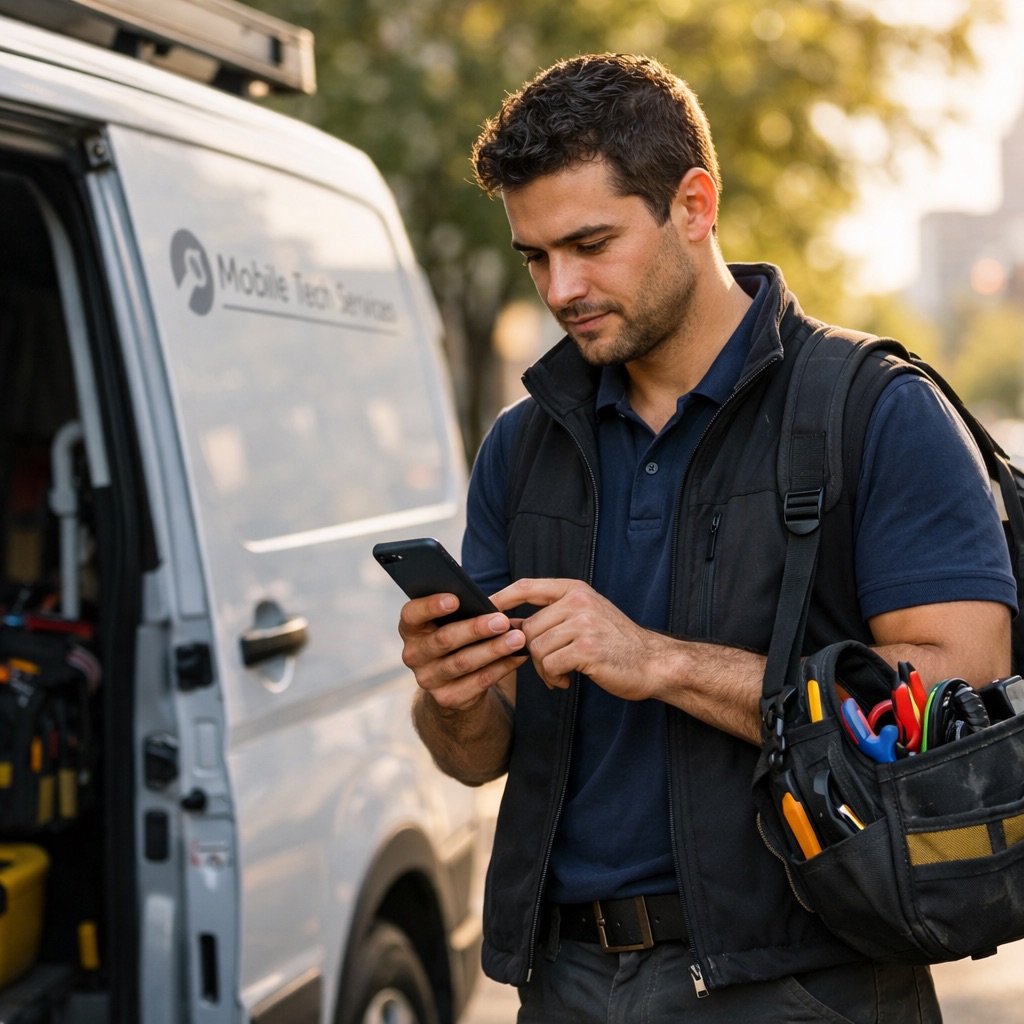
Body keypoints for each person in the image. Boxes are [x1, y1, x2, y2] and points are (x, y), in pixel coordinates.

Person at [397, 53, 1017, 1023]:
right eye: (535, 256)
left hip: (807, 980)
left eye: (590, 243)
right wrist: (451, 693)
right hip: (564, 982)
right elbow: (475, 757)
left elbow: (954, 689)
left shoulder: (873, 409)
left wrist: (657, 661)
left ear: (693, 205)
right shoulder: (522, 446)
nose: (559, 289)